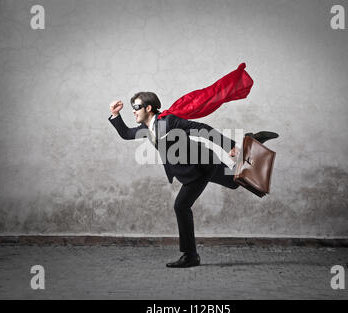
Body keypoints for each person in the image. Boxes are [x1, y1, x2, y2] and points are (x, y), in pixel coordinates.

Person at [108, 92, 278, 268]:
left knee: (181, 206)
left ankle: (190, 256)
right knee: (235, 182)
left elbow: (201, 129)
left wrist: (229, 145)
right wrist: (115, 114)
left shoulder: (168, 121)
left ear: (148, 108)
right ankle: (253, 143)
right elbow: (127, 133)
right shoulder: (146, 129)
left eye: (136, 107)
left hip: (199, 168)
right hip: (205, 162)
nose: (133, 111)